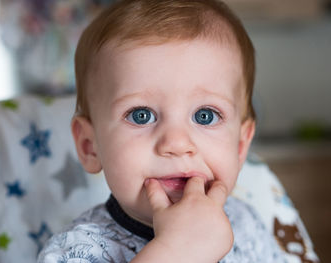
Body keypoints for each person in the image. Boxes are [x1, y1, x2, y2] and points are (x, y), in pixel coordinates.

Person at [38, 0, 286, 262]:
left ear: (239, 146)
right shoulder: (76, 251)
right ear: (90, 145)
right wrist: (177, 251)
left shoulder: (247, 223)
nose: (177, 143)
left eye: (205, 116)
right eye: (141, 115)